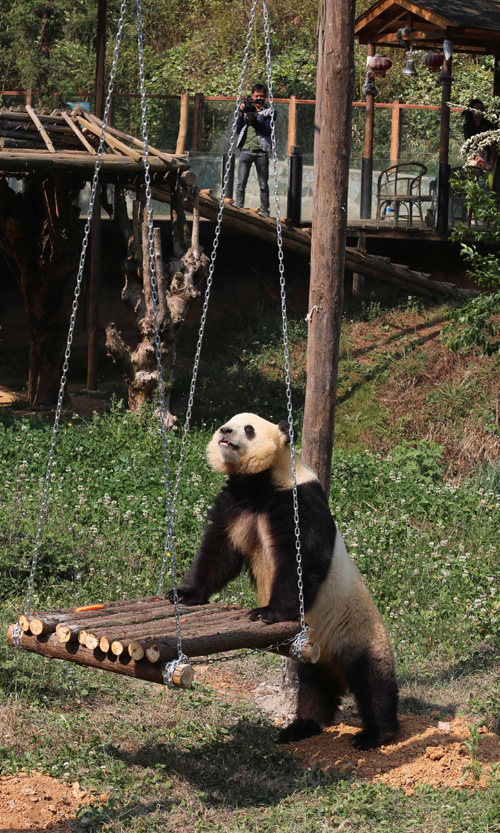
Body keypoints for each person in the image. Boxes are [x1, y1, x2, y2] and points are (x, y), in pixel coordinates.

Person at [234, 84, 273, 217]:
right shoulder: (246, 110)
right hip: (246, 150)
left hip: (261, 151)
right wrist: (241, 114)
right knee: (241, 183)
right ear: (252, 96)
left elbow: (267, 130)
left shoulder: (269, 112)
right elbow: (238, 130)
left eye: (261, 96)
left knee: (263, 184)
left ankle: (265, 211)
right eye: (257, 96)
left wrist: (254, 120)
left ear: (265, 98)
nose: (259, 98)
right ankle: (238, 207)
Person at [463, 98, 496, 170]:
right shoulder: (468, 124)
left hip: (486, 153)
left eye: (480, 108)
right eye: (476, 108)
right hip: (473, 152)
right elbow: (468, 139)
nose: (478, 110)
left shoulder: (487, 124)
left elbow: (491, 141)